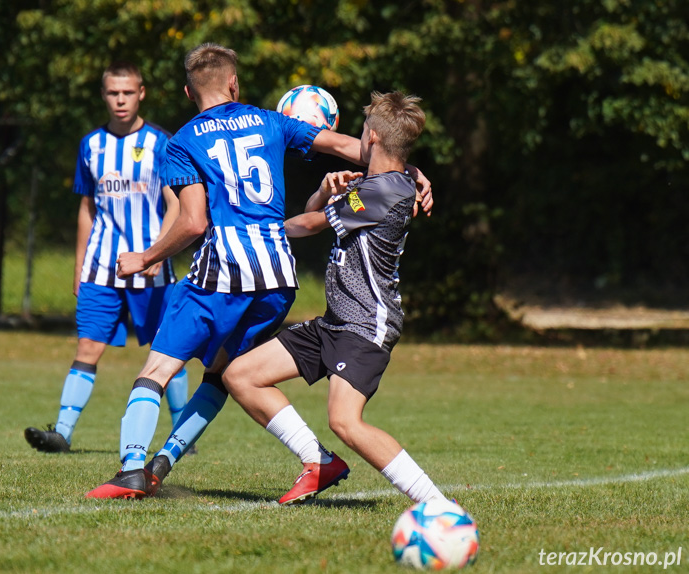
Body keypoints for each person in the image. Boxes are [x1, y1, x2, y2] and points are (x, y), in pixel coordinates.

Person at [85, 44, 432, 499]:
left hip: (223, 272)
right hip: (276, 277)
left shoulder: (182, 142)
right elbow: (358, 148)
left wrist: (146, 258)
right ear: (234, 83)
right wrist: (409, 172)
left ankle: (132, 468)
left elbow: (193, 222)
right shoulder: (271, 121)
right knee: (225, 373)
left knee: (156, 369)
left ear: (190, 91)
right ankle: (166, 463)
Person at [222, 91, 449, 505]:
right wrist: (327, 189)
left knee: (345, 421)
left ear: (375, 137)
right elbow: (319, 211)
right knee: (241, 375)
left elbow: (311, 223)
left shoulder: (387, 191)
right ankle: (318, 462)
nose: (357, 138)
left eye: (362, 131)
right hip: (334, 323)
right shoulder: (375, 184)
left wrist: (248, 230)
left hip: (365, 325)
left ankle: (438, 506)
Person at [24, 61, 189, 454]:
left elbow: (175, 205)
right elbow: (87, 208)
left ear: (141, 93)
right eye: (113, 93)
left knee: (169, 348)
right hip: (101, 268)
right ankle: (62, 433)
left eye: (127, 93)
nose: (120, 100)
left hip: (152, 269)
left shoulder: (162, 144)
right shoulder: (90, 145)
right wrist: (79, 263)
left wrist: (154, 253)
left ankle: (182, 434)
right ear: (104, 95)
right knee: (87, 348)